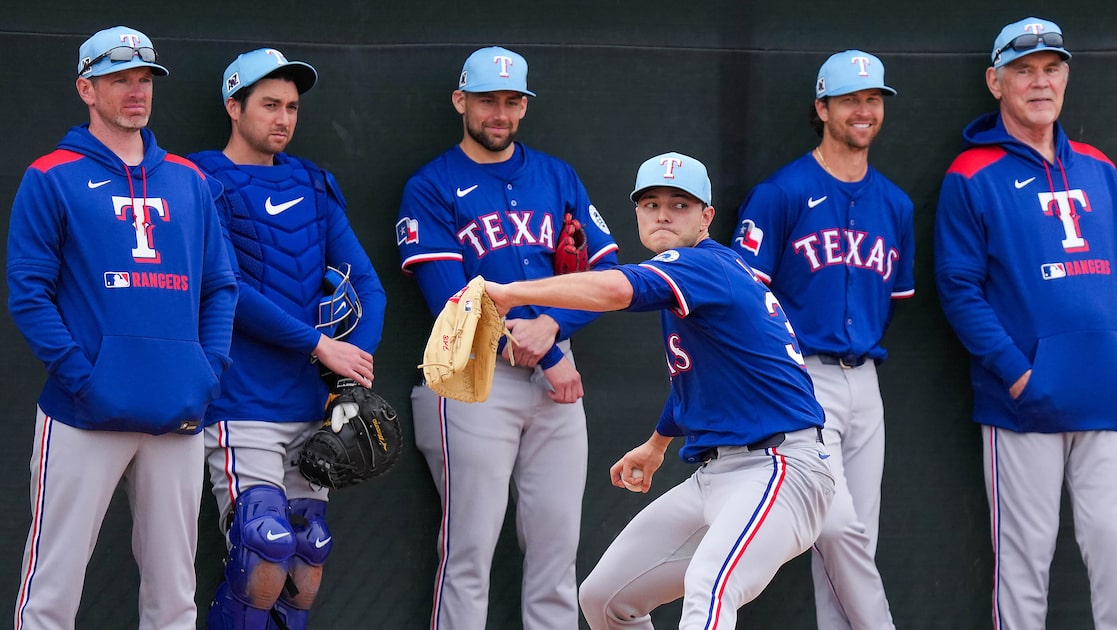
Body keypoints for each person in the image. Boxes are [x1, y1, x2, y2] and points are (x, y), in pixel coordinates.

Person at [487, 151, 836, 629]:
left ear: (706, 217)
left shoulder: (703, 266)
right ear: (636, 214)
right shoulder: (698, 282)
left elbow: (616, 290)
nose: (663, 214)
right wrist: (656, 446)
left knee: (711, 588)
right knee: (606, 598)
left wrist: (513, 293)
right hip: (718, 473)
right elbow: (703, 377)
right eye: (650, 204)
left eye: (680, 204)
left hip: (779, 468)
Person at [6, 25, 237, 630]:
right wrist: (82, 376)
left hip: (178, 412)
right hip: (84, 410)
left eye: (144, 79)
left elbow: (220, 285)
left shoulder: (189, 180)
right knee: (52, 590)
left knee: (174, 596)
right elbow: (29, 293)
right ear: (86, 88)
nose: (136, 91)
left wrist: (206, 371)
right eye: (119, 80)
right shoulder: (50, 176)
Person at [934, 17, 1117, 630]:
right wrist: (1018, 374)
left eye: (1051, 69)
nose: (1039, 82)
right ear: (995, 81)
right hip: (1023, 402)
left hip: (1107, 390)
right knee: (1025, 562)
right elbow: (958, 288)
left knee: (1115, 550)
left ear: (1066, 79)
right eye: (1023, 70)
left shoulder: (1100, 168)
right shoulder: (970, 174)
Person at [395, 45, 619, 629]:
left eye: (512, 101)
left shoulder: (556, 175)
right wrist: (550, 356)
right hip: (472, 379)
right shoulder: (431, 185)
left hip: (554, 376)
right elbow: (454, 299)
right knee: (468, 552)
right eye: (488, 101)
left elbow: (606, 276)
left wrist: (553, 328)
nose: (500, 113)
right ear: (460, 101)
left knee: (556, 551)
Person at [187, 48, 385, 629]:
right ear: (233, 106)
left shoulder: (313, 184)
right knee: (263, 549)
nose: (283, 118)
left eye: (292, 107)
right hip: (241, 402)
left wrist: (351, 369)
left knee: (307, 557)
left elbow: (367, 285)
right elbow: (227, 288)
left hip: (310, 408)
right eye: (269, 104)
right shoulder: (200, 180)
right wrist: (319, 346)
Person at [732, 49, 908, 630]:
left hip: (867, 381)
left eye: (873, 99)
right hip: (802, 377)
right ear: (822, 107)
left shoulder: (896, 204)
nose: (864, 110)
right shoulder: (781, 193)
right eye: (850, 100)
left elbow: (893, 297)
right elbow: (742, 299)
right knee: (835, 527)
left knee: (860, 537)